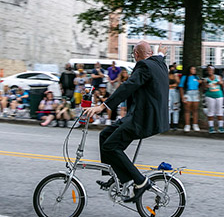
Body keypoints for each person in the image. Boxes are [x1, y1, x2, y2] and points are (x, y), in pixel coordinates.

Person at [84, 41, 169, 203]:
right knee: (105, 135)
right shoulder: (159, 64)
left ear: (136, 54)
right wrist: (161, 53)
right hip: (142, 116)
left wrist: (102, 106)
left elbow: (128, 86)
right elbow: (160, 57)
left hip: (142, 118)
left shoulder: (144, 66)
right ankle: (117, 177)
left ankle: (140, 181)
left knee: (111, 146)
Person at [178, 66, 202, 132]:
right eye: (192, 69)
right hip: (188, 93)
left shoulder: (196, 77)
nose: (194, 70)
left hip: (196, 93)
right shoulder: (185, 77)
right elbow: (181, 87)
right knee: (187, 110)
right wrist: (182, 96)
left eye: (194, 69)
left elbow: (199, 86)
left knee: (195, 110)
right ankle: (187, 125)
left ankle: (195, 124)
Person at [203, 66, 224, 133]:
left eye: (211, 70)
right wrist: (206, 86)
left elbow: (223, 85)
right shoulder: (206, 79)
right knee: (211, 111)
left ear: (213, 71)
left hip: (219, 95)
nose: (210, 71)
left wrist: (221, 83)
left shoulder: (218, 77)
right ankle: (211, 127)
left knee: (219, 111)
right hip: (210, 96)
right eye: (208, 70)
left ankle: (220, 127)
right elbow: (204, 88)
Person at [168, 66, 181, 130]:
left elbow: (178, 83)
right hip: (168, 91)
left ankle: (175, 123)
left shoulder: (176, 76)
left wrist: (176, 76)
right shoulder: (167, 75)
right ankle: (168, 123)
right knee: (168, 107)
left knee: (176, 107)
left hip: (175, 91)